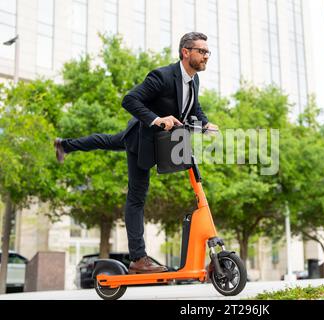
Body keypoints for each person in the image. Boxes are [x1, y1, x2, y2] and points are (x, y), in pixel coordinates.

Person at [54, 32, 218, 273]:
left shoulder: (193, 81)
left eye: (207, 52)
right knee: (137, 197)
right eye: (202, 51)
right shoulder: (161, 76)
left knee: (105, 140)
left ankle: (64, 144)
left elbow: (194, 107)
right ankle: (138, 258)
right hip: (142, 140)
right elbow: (129, 100)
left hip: (160, 142)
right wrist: (156, 119)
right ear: (186, 52)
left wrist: (204, 124)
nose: (206, 56)